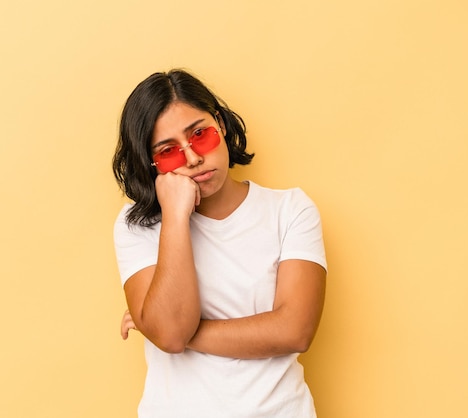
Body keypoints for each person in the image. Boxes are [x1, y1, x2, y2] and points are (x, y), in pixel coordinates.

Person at [112, 69, 327, 418]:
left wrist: (164, 328)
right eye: (169, 152)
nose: (193, 158)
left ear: (221, 125)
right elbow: (169, 334)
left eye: (200, 135)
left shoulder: (290, 210)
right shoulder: (137, 226)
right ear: (152, 164)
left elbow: (295, 330)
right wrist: (176, 216)